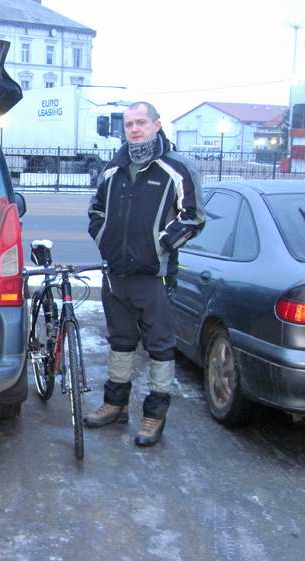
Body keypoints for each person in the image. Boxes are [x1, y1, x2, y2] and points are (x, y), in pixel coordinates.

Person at [84, 101, 205, 447]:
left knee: (160, 346)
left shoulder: (176, 167)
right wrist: (104, 241)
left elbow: (193, 217)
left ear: (156, 125)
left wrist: (160, 246)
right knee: (120, 342)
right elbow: (95, 211)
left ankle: (155, 414)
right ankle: (115, 404)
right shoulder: (114, 168)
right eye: (129, 124)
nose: (134, 129)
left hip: (155, 276)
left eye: (141, 122)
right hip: (116, 275)